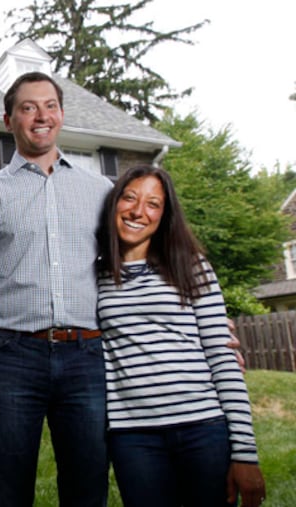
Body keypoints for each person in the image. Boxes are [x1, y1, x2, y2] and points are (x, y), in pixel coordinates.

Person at [0, 71, 113, 506]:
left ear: (61, 113)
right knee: (6, 490)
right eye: (28, 107)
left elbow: (131, 268)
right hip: (10, 360)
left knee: (87, 486)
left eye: (50, 105)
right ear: (9, 120)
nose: (42, 116)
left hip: (87, 359)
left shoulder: (100, 191)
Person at [96, 165, 266, 507]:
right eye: (129, 198)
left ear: (165, 214)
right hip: (133, 436)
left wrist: (246, 453)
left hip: (203, 428)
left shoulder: (191, 265)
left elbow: (221, 356)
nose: (138, 211)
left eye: (153, 204)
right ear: (114, 204)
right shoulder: (94, 275)